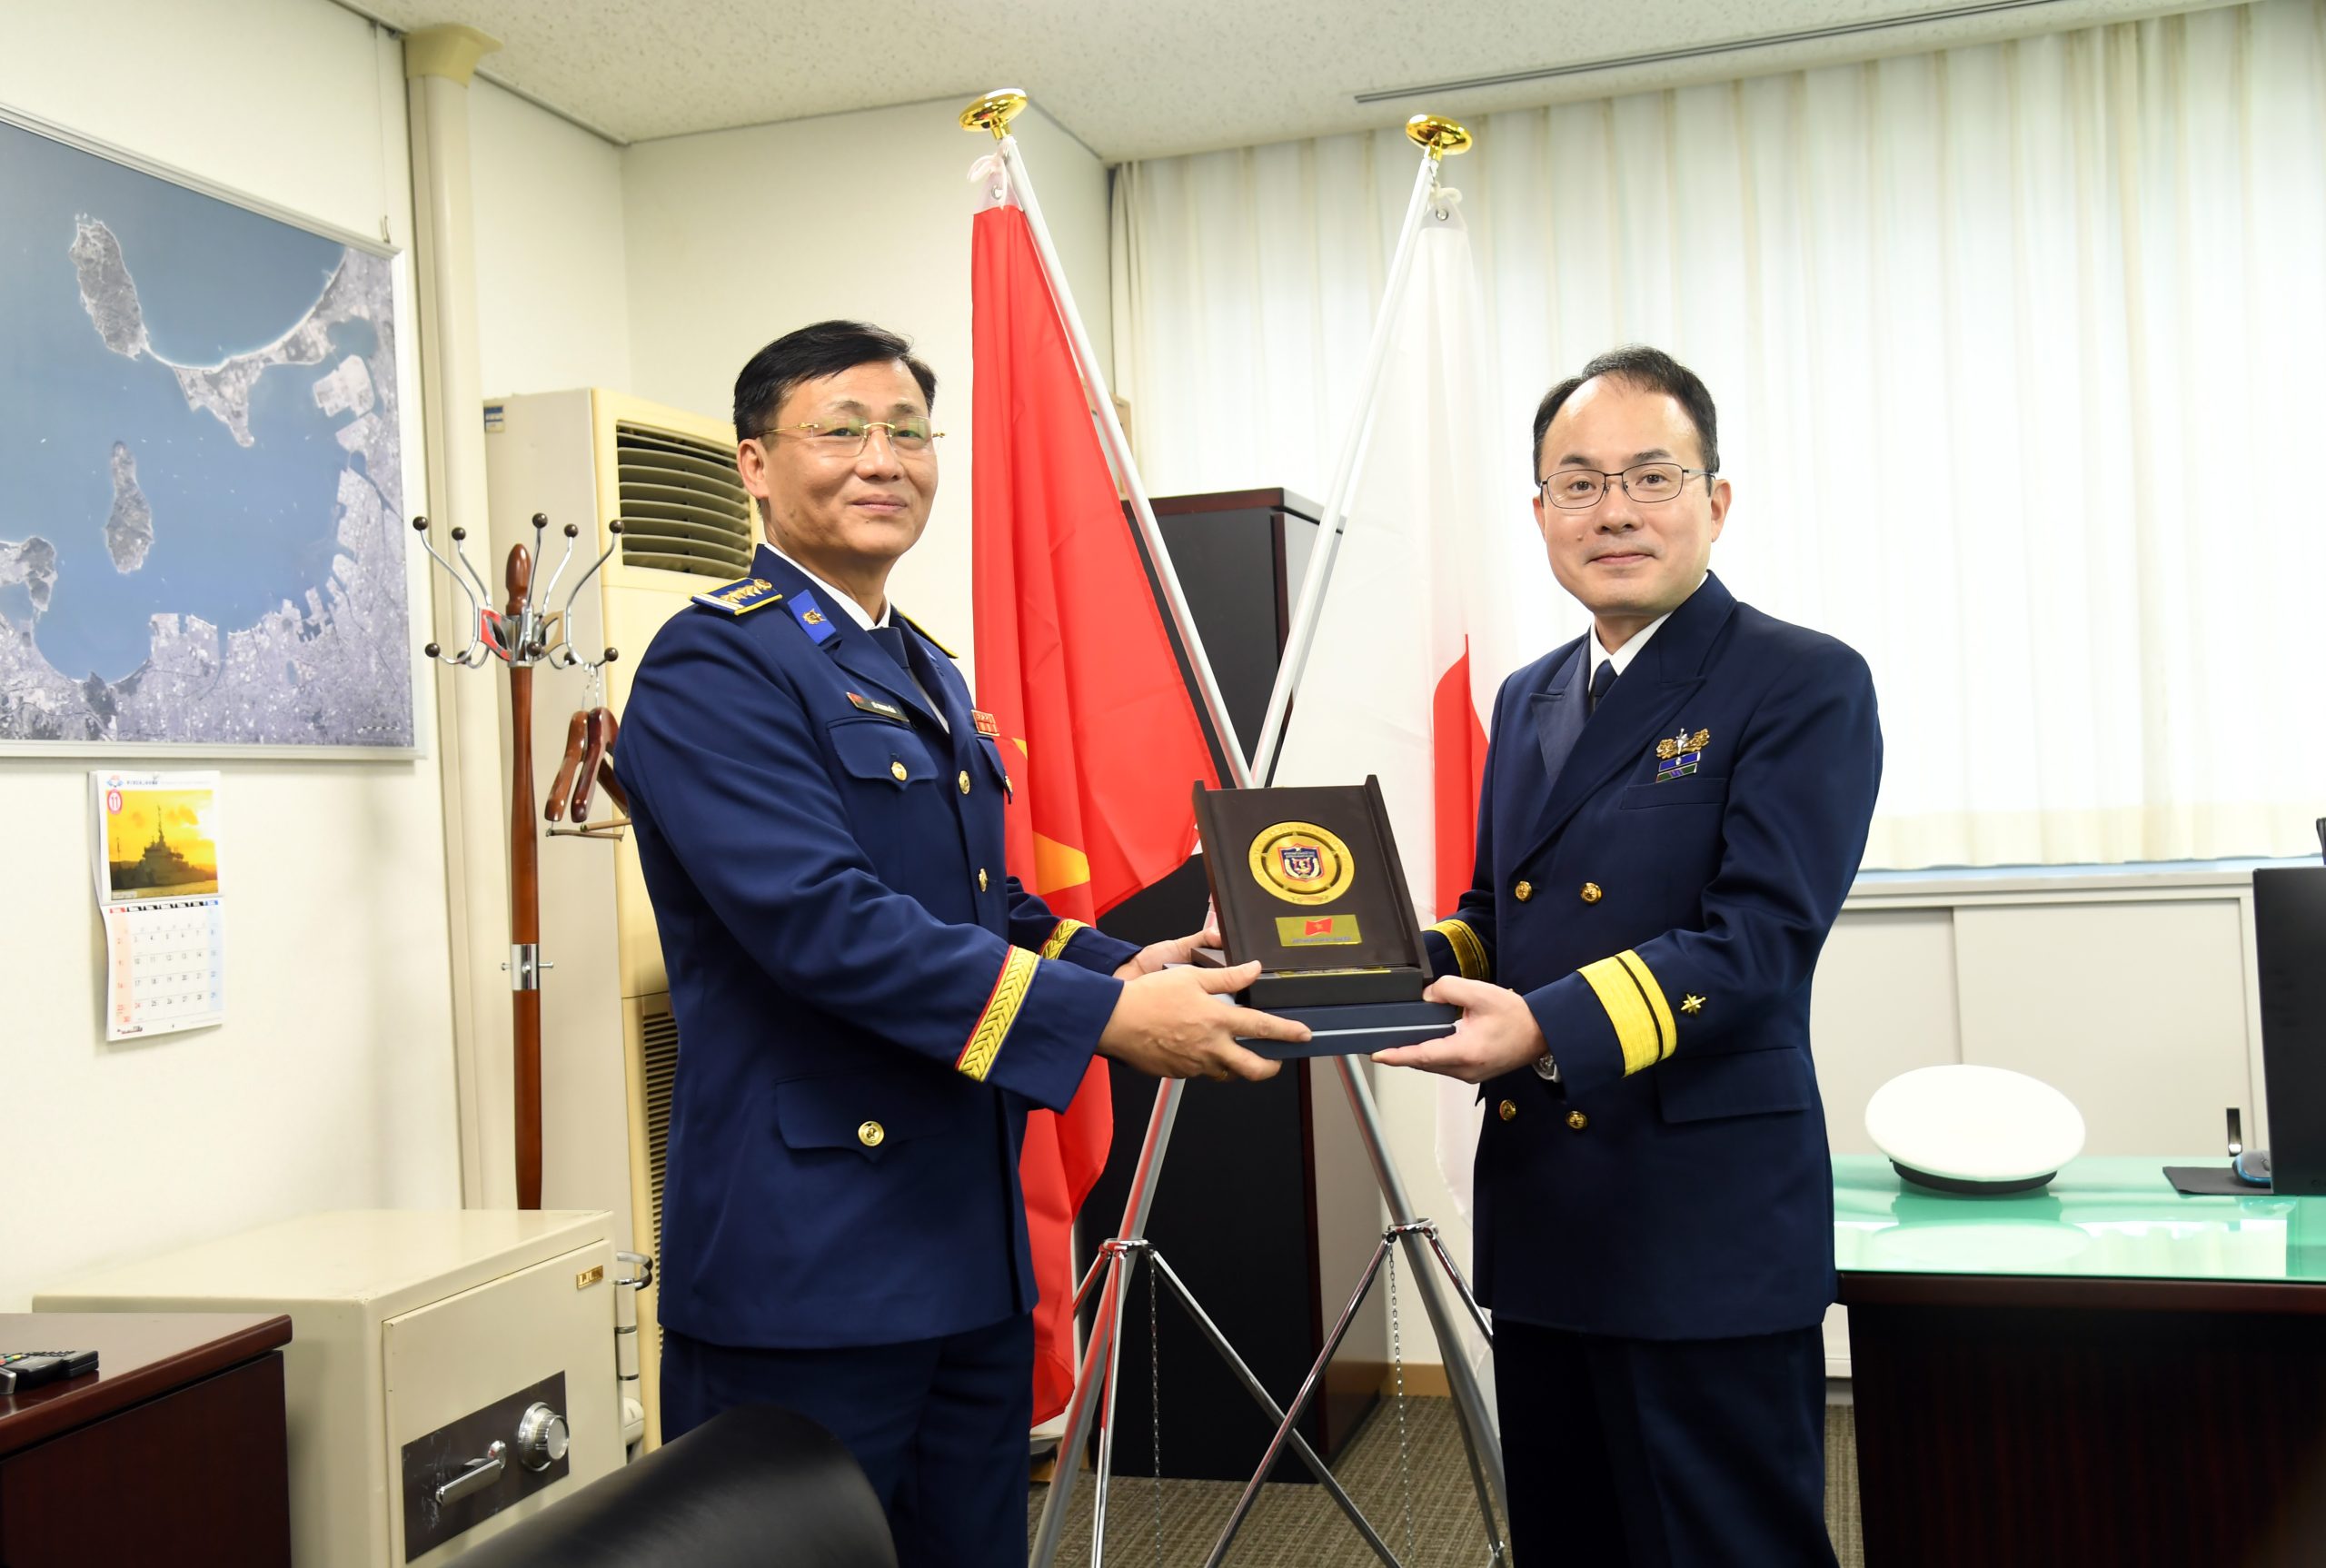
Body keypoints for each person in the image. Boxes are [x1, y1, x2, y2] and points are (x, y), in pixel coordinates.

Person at [611, 319, 1305, 1565]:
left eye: (908, 431)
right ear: (754, 464)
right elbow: (826, 923)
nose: (883, 459)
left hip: (965, 1248)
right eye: (840, 430)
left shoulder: (922, 664)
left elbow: (982, 905)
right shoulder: (714, 663)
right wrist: (1103, 1020)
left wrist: (1121, 966)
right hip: (811, 1263)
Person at [1375, 345, 1882, 1565]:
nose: (1614, 512)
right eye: (1580, 483)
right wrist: (1379, 960)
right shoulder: (1532, 695)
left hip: (1698, 1219)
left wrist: (1541, 1026)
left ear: (1716, 499)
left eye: (1652, 477)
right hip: (1549, 1212)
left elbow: (1759, 937)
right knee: (1572, 1540)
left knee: (1723, 1545)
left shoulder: (1800, 680)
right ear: (1541, 511)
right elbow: (1499, 912)